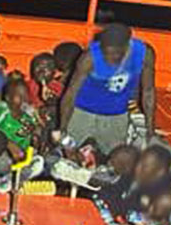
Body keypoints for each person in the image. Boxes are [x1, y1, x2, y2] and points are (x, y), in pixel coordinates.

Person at [58, 22, 156, 150]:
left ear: (127, 46)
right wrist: (63, 128)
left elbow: (148, 91)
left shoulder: (144, 54)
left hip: (116, 113)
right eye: (106, 53)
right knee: (69, 152)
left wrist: (150, 130)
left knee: (115, 157)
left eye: (116, 54)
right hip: (83, 110)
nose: (110, 58)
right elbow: (71, 93)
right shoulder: (89, 58)